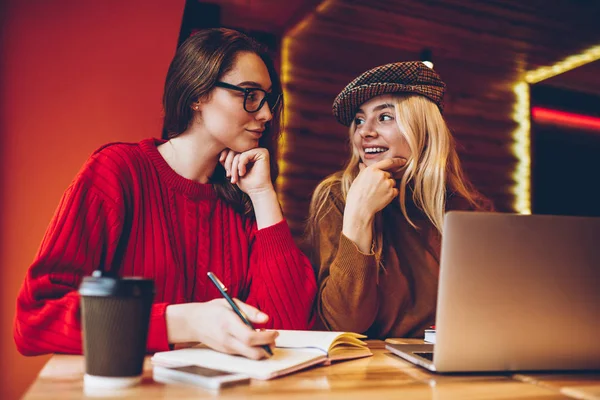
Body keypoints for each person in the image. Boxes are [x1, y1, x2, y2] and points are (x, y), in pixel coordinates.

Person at [14, 28, 317, 360]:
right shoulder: (117, 172)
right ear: (196, 95)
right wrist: (185, 322)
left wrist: (262, 194)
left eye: (268, 98)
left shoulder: (241, 199)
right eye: (249, 94)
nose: (266, 114)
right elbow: (36, 319)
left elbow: (289, 328)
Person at [306, 61, 492, 338]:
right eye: (359, 120)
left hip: (455, 362)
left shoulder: (470, 209)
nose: (364, 132)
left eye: (384, 117)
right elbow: (345, 324)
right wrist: (360, 214)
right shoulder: (336, 195)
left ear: (423, 128)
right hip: (371, 370)